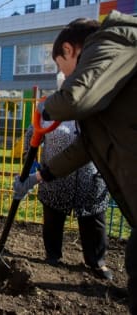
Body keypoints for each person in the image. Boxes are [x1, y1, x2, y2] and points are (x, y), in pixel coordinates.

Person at [13, 11, 137, 314]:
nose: (66, 76)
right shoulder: (115, 75)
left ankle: (96, 261)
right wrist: (40, 175)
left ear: (69, 49)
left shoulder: (110, 42)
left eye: (61, 66)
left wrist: (45, 106)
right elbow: (84, 147)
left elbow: (72, 100)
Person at [23, 117, 112, 279]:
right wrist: (30, 163)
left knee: (94, 221)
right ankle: (52, 255)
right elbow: (32, 135)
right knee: (52, 219)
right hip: (54, 177)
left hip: (90, 178)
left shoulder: (96, 110)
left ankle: (97, 261)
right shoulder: (50, 111)